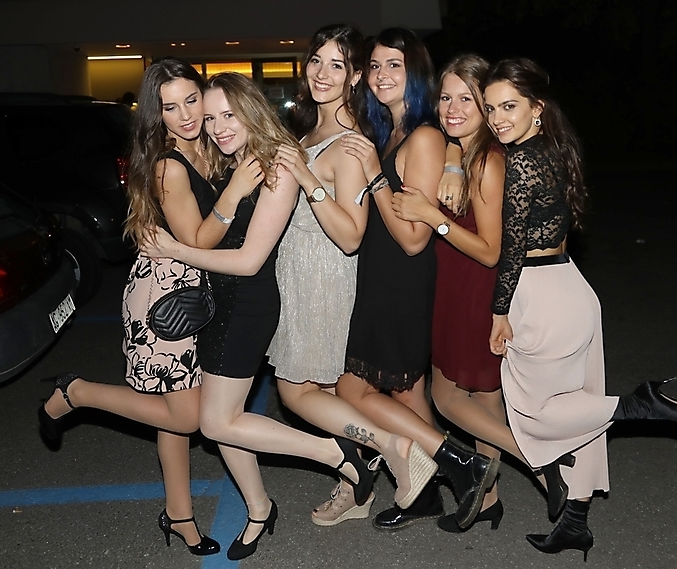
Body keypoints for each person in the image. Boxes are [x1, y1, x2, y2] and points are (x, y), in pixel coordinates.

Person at [141, 71, 437, 560]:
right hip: (220, 302)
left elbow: (250, 259)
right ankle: (260, 508)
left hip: (246, 304)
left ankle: (346, 454)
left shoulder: (273, 164)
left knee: (217, 422)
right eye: (210, 117)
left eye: (227, 115)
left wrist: (175, 249)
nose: (215, 126)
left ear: (251, 112)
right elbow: (207, 226)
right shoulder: (230, 158)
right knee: (228, 417)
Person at [36, 57, 261, 556]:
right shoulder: (167, 166)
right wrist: (236, 192)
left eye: (191, 100)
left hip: (199, 291)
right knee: (186, 417)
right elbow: (197, 238)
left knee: (170, 412)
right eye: (170, 108)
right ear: (156, 115)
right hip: (165, 298)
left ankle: (179, 515)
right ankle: (77, 392)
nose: (186, 115)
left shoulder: (208, 145)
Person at [483, 58, 677, 560]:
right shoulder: (554, 147)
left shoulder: (522, 160)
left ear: (536, 107)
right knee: (579, 409)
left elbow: (512, 249)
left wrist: (498, 312)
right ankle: (575, 523)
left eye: (509, 106)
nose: (497, 118)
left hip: (539, 294)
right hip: (570, 286)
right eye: (490, 108)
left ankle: (640, 405)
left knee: (533, 412)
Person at [268, 24, 436, 527]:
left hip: (334, 278)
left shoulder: (352, 141)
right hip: (309, 277)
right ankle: (364, 482)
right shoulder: (323, 131)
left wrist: (306, 178)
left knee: (308, 392)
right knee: (340, 391)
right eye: (316, 61)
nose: (322, 73)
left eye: (337, 64)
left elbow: (351, 234)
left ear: (353, 76)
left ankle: (391, 458)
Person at [335, 28, 499, 531]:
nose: (382, 75)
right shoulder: (394, 130)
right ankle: (434, 490)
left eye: (395, 65)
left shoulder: (424, 137)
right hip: (382, 277)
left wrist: (374, 175)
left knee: (353, 390)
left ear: (416, 73)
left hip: (402, 282)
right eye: (375, 65)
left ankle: (458, 463)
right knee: (407, 395)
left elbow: (413, 238)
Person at [392, 53, 538, 533]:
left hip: (476, 287)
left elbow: (491, 251)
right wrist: (453, 159)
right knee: (484, 398)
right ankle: (488, 498)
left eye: (466, 99)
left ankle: (538, 459)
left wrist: (431, 216)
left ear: (485, 106)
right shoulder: (465, 152)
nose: (452, 108)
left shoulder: (490, 161)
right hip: (455, 283)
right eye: (445, 97)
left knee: (448, 395)